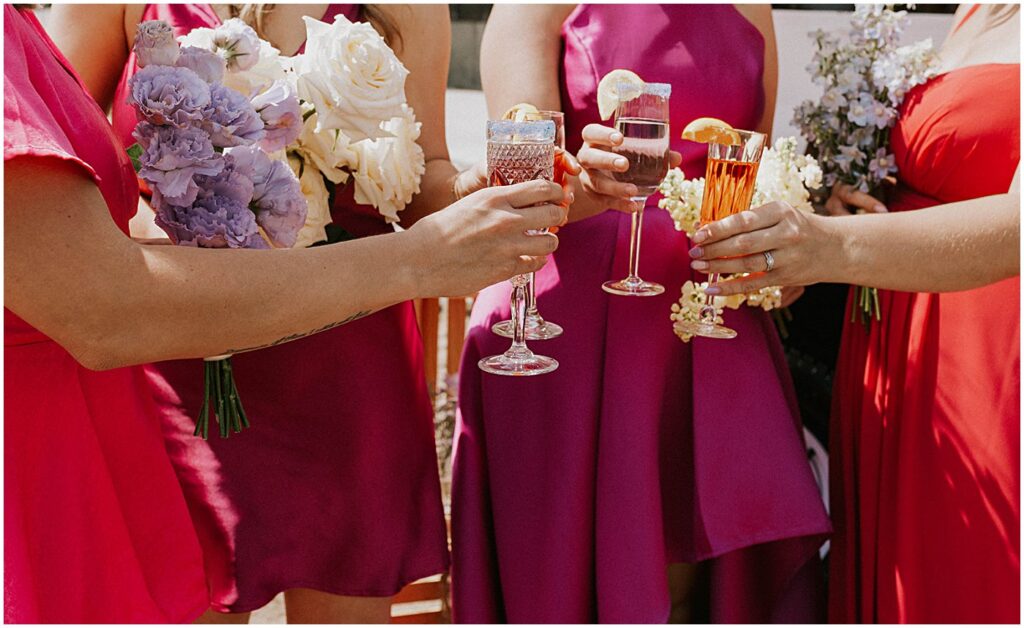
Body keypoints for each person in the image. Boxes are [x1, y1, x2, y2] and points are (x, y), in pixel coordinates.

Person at [5, 4, 567, 623]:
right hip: (183, 356)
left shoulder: (407, 8)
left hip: (348, 364)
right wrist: (183, 218)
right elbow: (71, 172)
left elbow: (422, 175)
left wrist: (467, 190)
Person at [451, 4, 831, 623]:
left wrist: (774, 253)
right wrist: (585, 175)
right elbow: (514, 177)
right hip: (565, 326)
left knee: (698, 591)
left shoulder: (751, 8)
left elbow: (750, 165)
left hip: (709, 322)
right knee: (561, 582)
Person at [690, 4, 1019, 622]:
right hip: (893, 339)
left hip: (987, 353)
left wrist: (826, 246)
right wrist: (852, 197)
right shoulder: (977, 9)